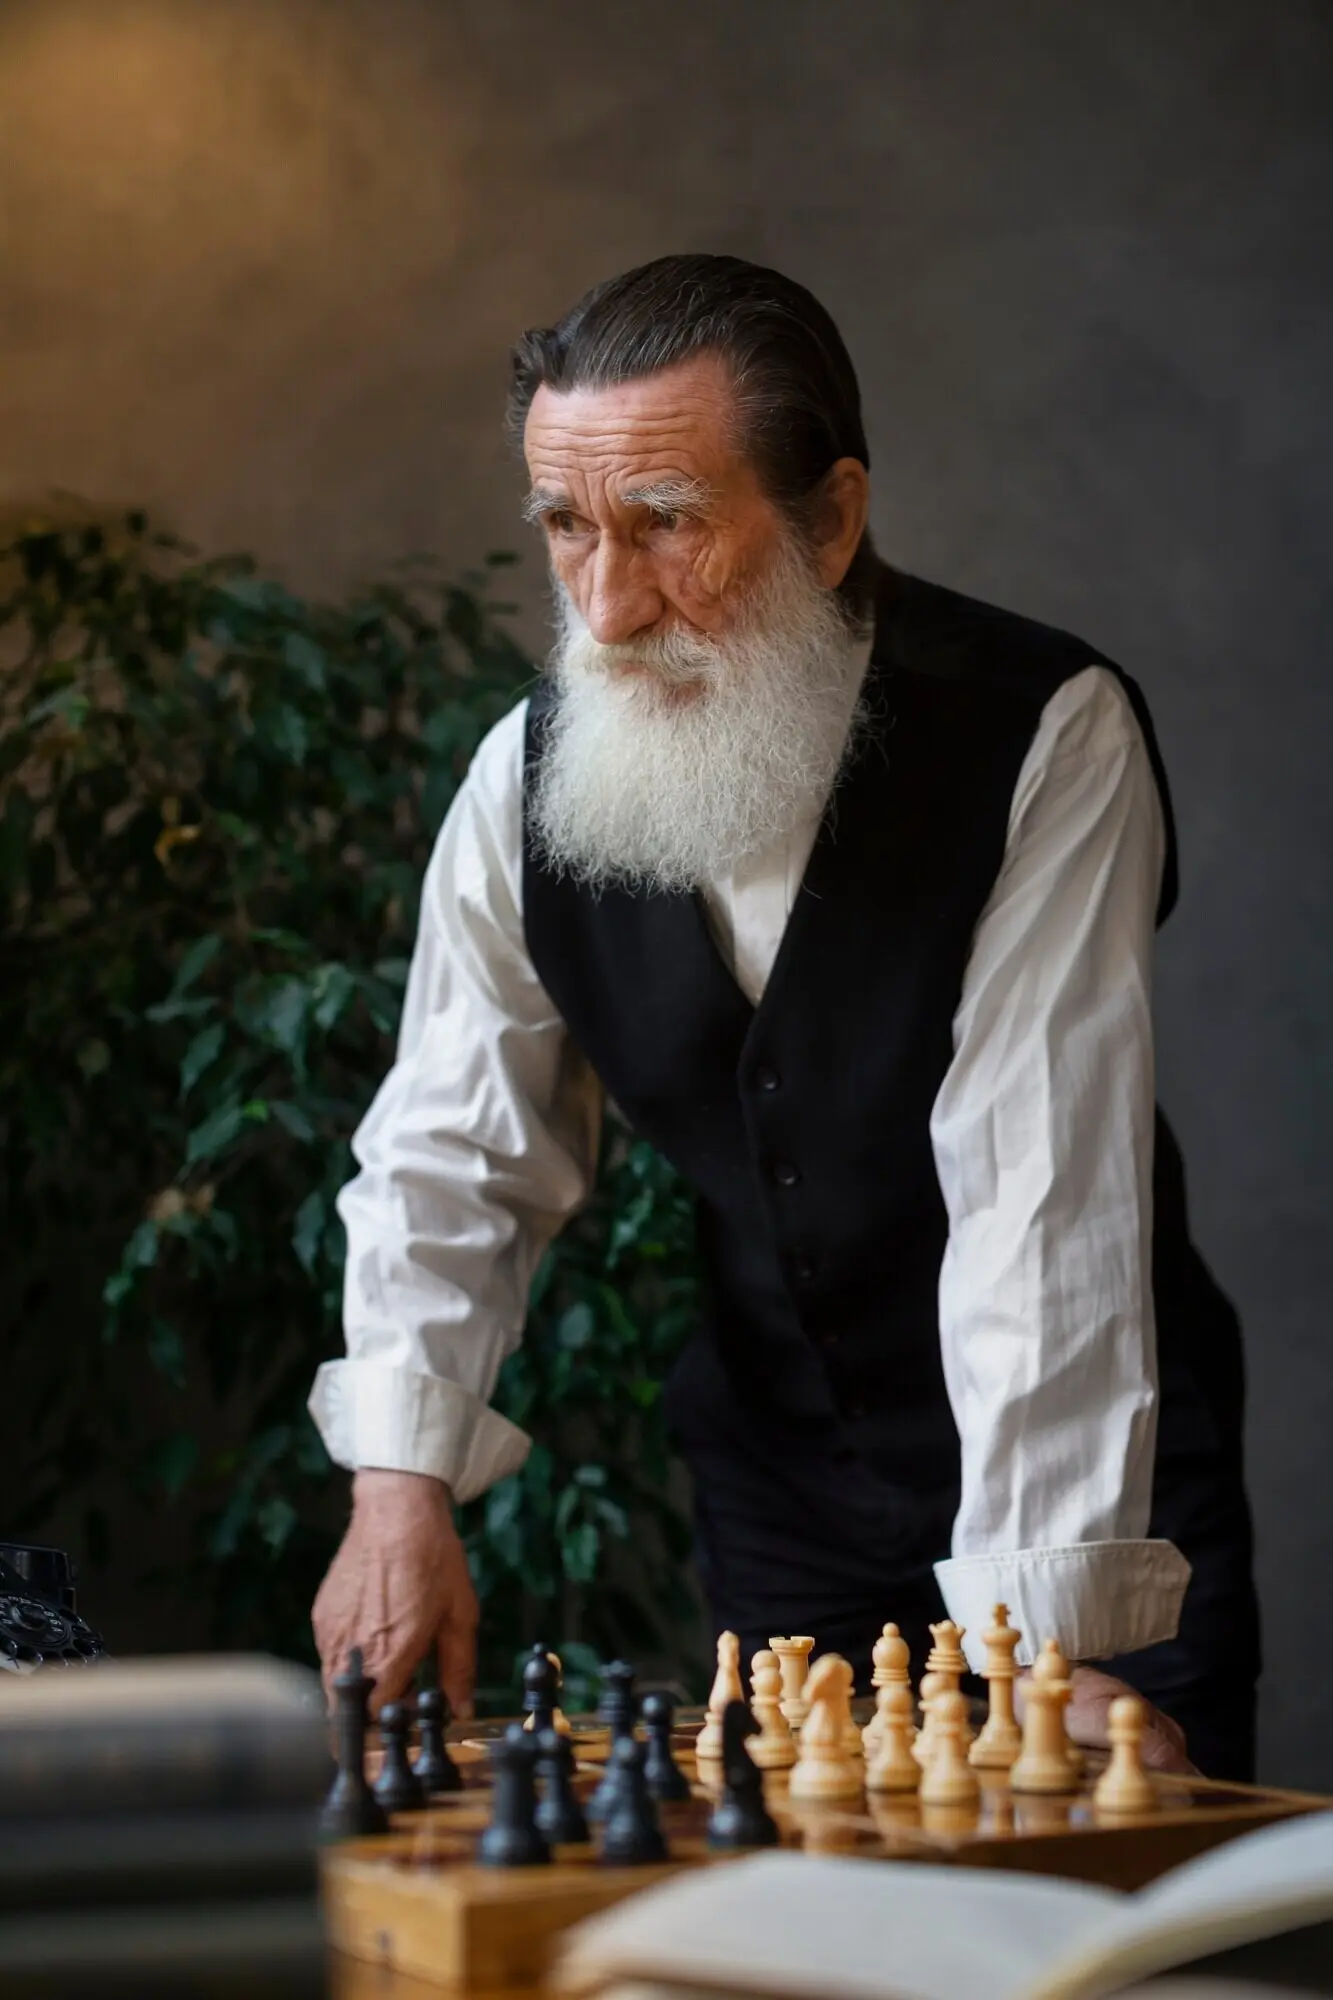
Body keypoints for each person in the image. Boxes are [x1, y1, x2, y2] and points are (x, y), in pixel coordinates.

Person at [308, 254, 1260, 1779]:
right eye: (567, 526)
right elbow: (452, 1149)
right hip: (782, 1491)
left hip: (1101, 1498)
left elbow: (1041, 1194)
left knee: (1095, 1894)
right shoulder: (520, 777)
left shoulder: (1046, 733)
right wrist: (398, 1489)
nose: (607, 606)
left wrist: (1052, 1639)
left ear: (829, 521)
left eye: (667, 523)